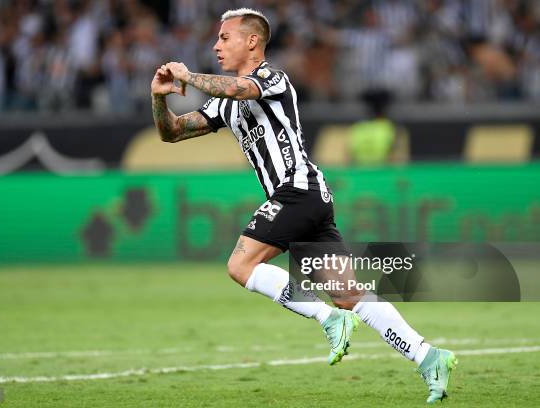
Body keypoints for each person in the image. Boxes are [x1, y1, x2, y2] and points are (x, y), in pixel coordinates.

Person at [150, 8, 456, 404]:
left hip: (297, 191)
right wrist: (159, 99)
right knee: (348, 294)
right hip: (306, 198)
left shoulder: (272, 79)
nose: (216, 45)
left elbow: (236, 89)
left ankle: (327, 318)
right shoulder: (224, 104)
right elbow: (172, 133)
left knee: (240, 266)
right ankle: (429, 357)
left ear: (252, 42)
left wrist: (188, 77)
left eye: (225, 38)